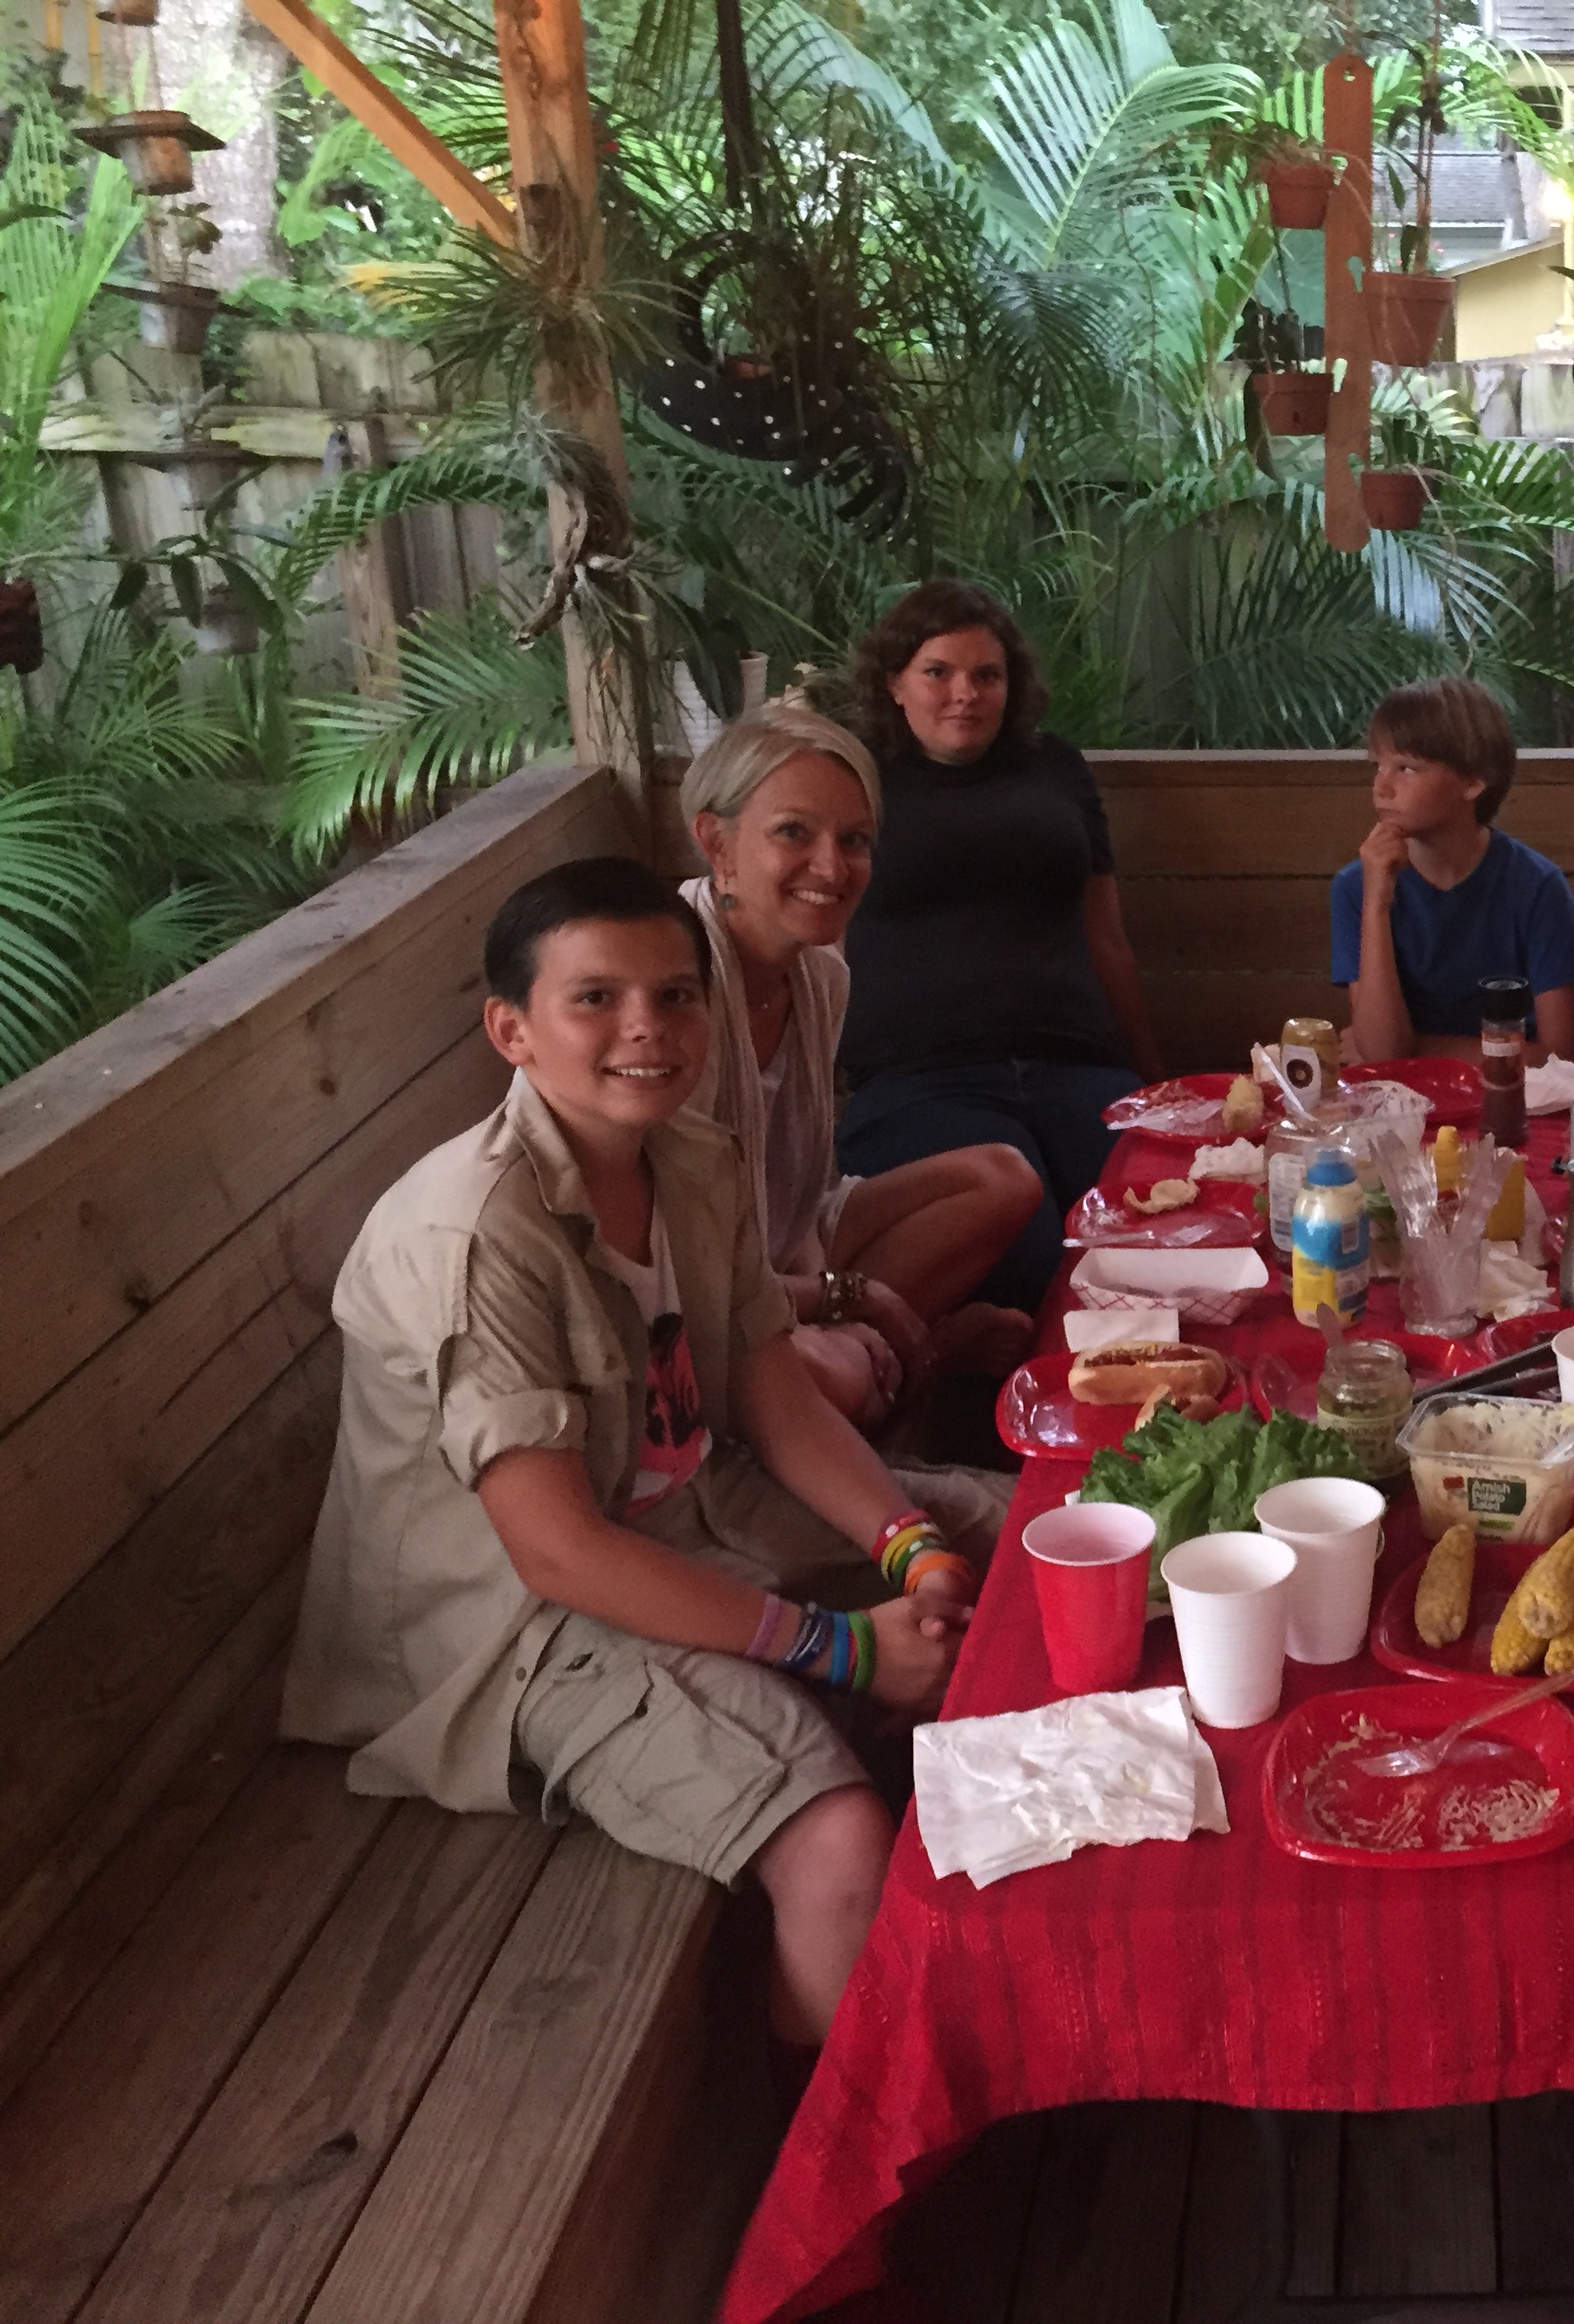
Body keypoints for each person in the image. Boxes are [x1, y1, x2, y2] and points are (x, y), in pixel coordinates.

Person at [282, 856, 1007, 2057]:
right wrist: (842, 1648)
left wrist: (913, 1550)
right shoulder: (476, 1235)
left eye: (675, 995)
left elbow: (775, 1397)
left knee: (1043, 1549)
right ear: (511, 1031)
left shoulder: (690, 1162)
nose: (646, 1028)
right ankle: (831, 2140)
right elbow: (559, 1555)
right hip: (517, 1629)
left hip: (687, 1507)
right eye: (596, 999)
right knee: (838, 1847)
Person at [681, 703, 1046, 1431]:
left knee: (1005, 1178)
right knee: (836, 1378)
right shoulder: (671, 994)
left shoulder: (820, 975)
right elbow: (687, 1273)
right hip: (696, 1295)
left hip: (787, 1236)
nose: (832, 867)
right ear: (717, 844)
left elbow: (803, 1188)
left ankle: (887, 1354)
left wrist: (830, 1287)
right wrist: (859, 1296)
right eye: (794, 832)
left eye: (854, 840)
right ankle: (911, 1356)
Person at [834, 582, 1165, 1313]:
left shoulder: (1056, 767)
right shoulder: (854, 780)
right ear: (893, 683)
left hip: (1075, 1065)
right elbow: (813, 936)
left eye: (987, 674)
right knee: (1025, 1252)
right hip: (921, 1080)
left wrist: (1152, 1086)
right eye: (938, 672)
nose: (966, 694)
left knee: (1155, 1226)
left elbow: (1106, 937)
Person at [1332, 675, 1574, 1066]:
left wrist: (1421, 1047)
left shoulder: (1537, 886)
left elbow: (1562, 1058)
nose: (1381, 787)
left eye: (1407, 768)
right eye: (1378, 766)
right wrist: (1377, 902)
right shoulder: (1357, 886)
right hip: (1402, 1098)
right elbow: (1384, 1054)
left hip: (1513, 1094)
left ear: (1473, 782)